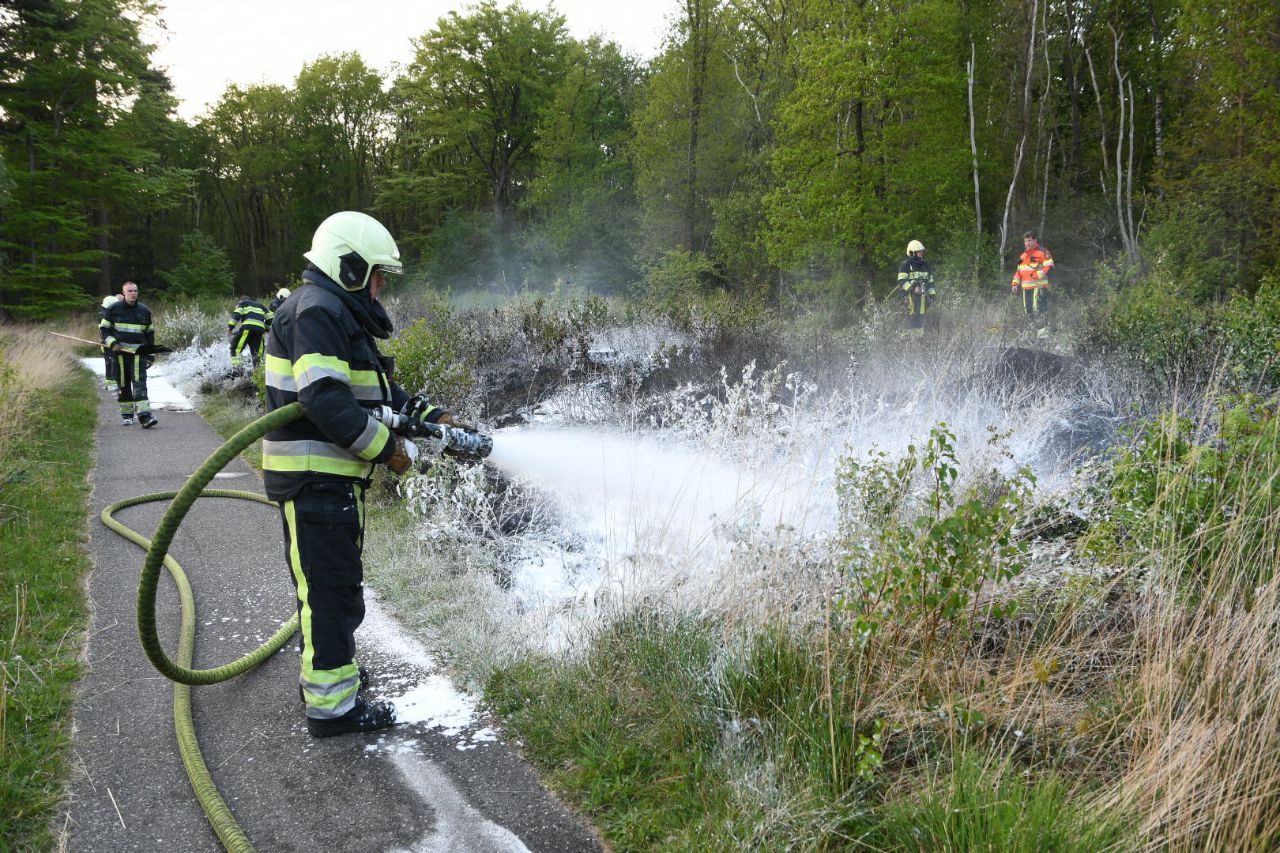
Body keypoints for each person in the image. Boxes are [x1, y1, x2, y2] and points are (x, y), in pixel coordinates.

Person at [263, 211, 464, 738]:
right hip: (314, 478)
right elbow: (325, 400)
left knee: (336, 590)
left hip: (328, 479)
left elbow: (372, 392)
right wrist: (389, 450)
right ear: (348, 267)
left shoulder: (335, 313)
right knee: (330, 593)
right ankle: (334, 709)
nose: (379, 288)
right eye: (376, 275)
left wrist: (431, 418)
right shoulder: (317, 311)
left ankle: (333, 676)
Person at [100, 281, 158, 428]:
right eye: (130, 291)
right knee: (124, 384)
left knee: (140, 385)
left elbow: (149, 335)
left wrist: (150, 355)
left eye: (135, 291)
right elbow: (104, 330)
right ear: (124, 293)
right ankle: (127, 415)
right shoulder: (113, 309)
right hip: (119, 355)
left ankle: (145, 417)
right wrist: (113, 343)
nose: (133, 293)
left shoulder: (144, 311)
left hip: (138, 355)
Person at [1011, 230, 1055, 338]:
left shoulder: (1043, 252)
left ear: (1035, 240)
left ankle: (1043, 338)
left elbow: (1049, 266)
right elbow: (1018, 272)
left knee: (1038, 311)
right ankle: (1031, 337)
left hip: (1039, 287)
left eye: (1029, 240)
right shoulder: (1023, 256)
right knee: (1028, 312)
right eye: (1025, 241)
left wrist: (1038, 274)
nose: (1027, 243)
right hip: (1026, 289)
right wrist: (1015, 284)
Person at [898, 239, 936, 335]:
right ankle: (906, 343)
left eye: (922, 251)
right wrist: (913, 288)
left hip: (922, 299)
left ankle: (919, 342)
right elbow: (902, 281)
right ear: (912, 252)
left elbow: (930, 283)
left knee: (920, 320)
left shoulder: (925, 265)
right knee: (909, 321)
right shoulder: (905, 265)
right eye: (919, 251)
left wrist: (932, 296)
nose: (921, 253)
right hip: (909, 299)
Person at [227, 294, 269, 371]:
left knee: (235, 348)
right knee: (258, 354)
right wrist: (266, 329)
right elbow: (270, 317)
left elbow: (237, 314)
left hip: (247, 328)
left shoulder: (243, 303)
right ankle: (258, 375)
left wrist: (230, 327)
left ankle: (237, 370)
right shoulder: (261, 306)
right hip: (259, 331)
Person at [98, 293, 122, 389]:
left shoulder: (103, 314)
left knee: (109, 362)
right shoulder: (105, 315)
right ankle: (112, 383)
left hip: (107, 342)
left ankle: (111, 383)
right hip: (109, 343)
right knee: (112, 363)